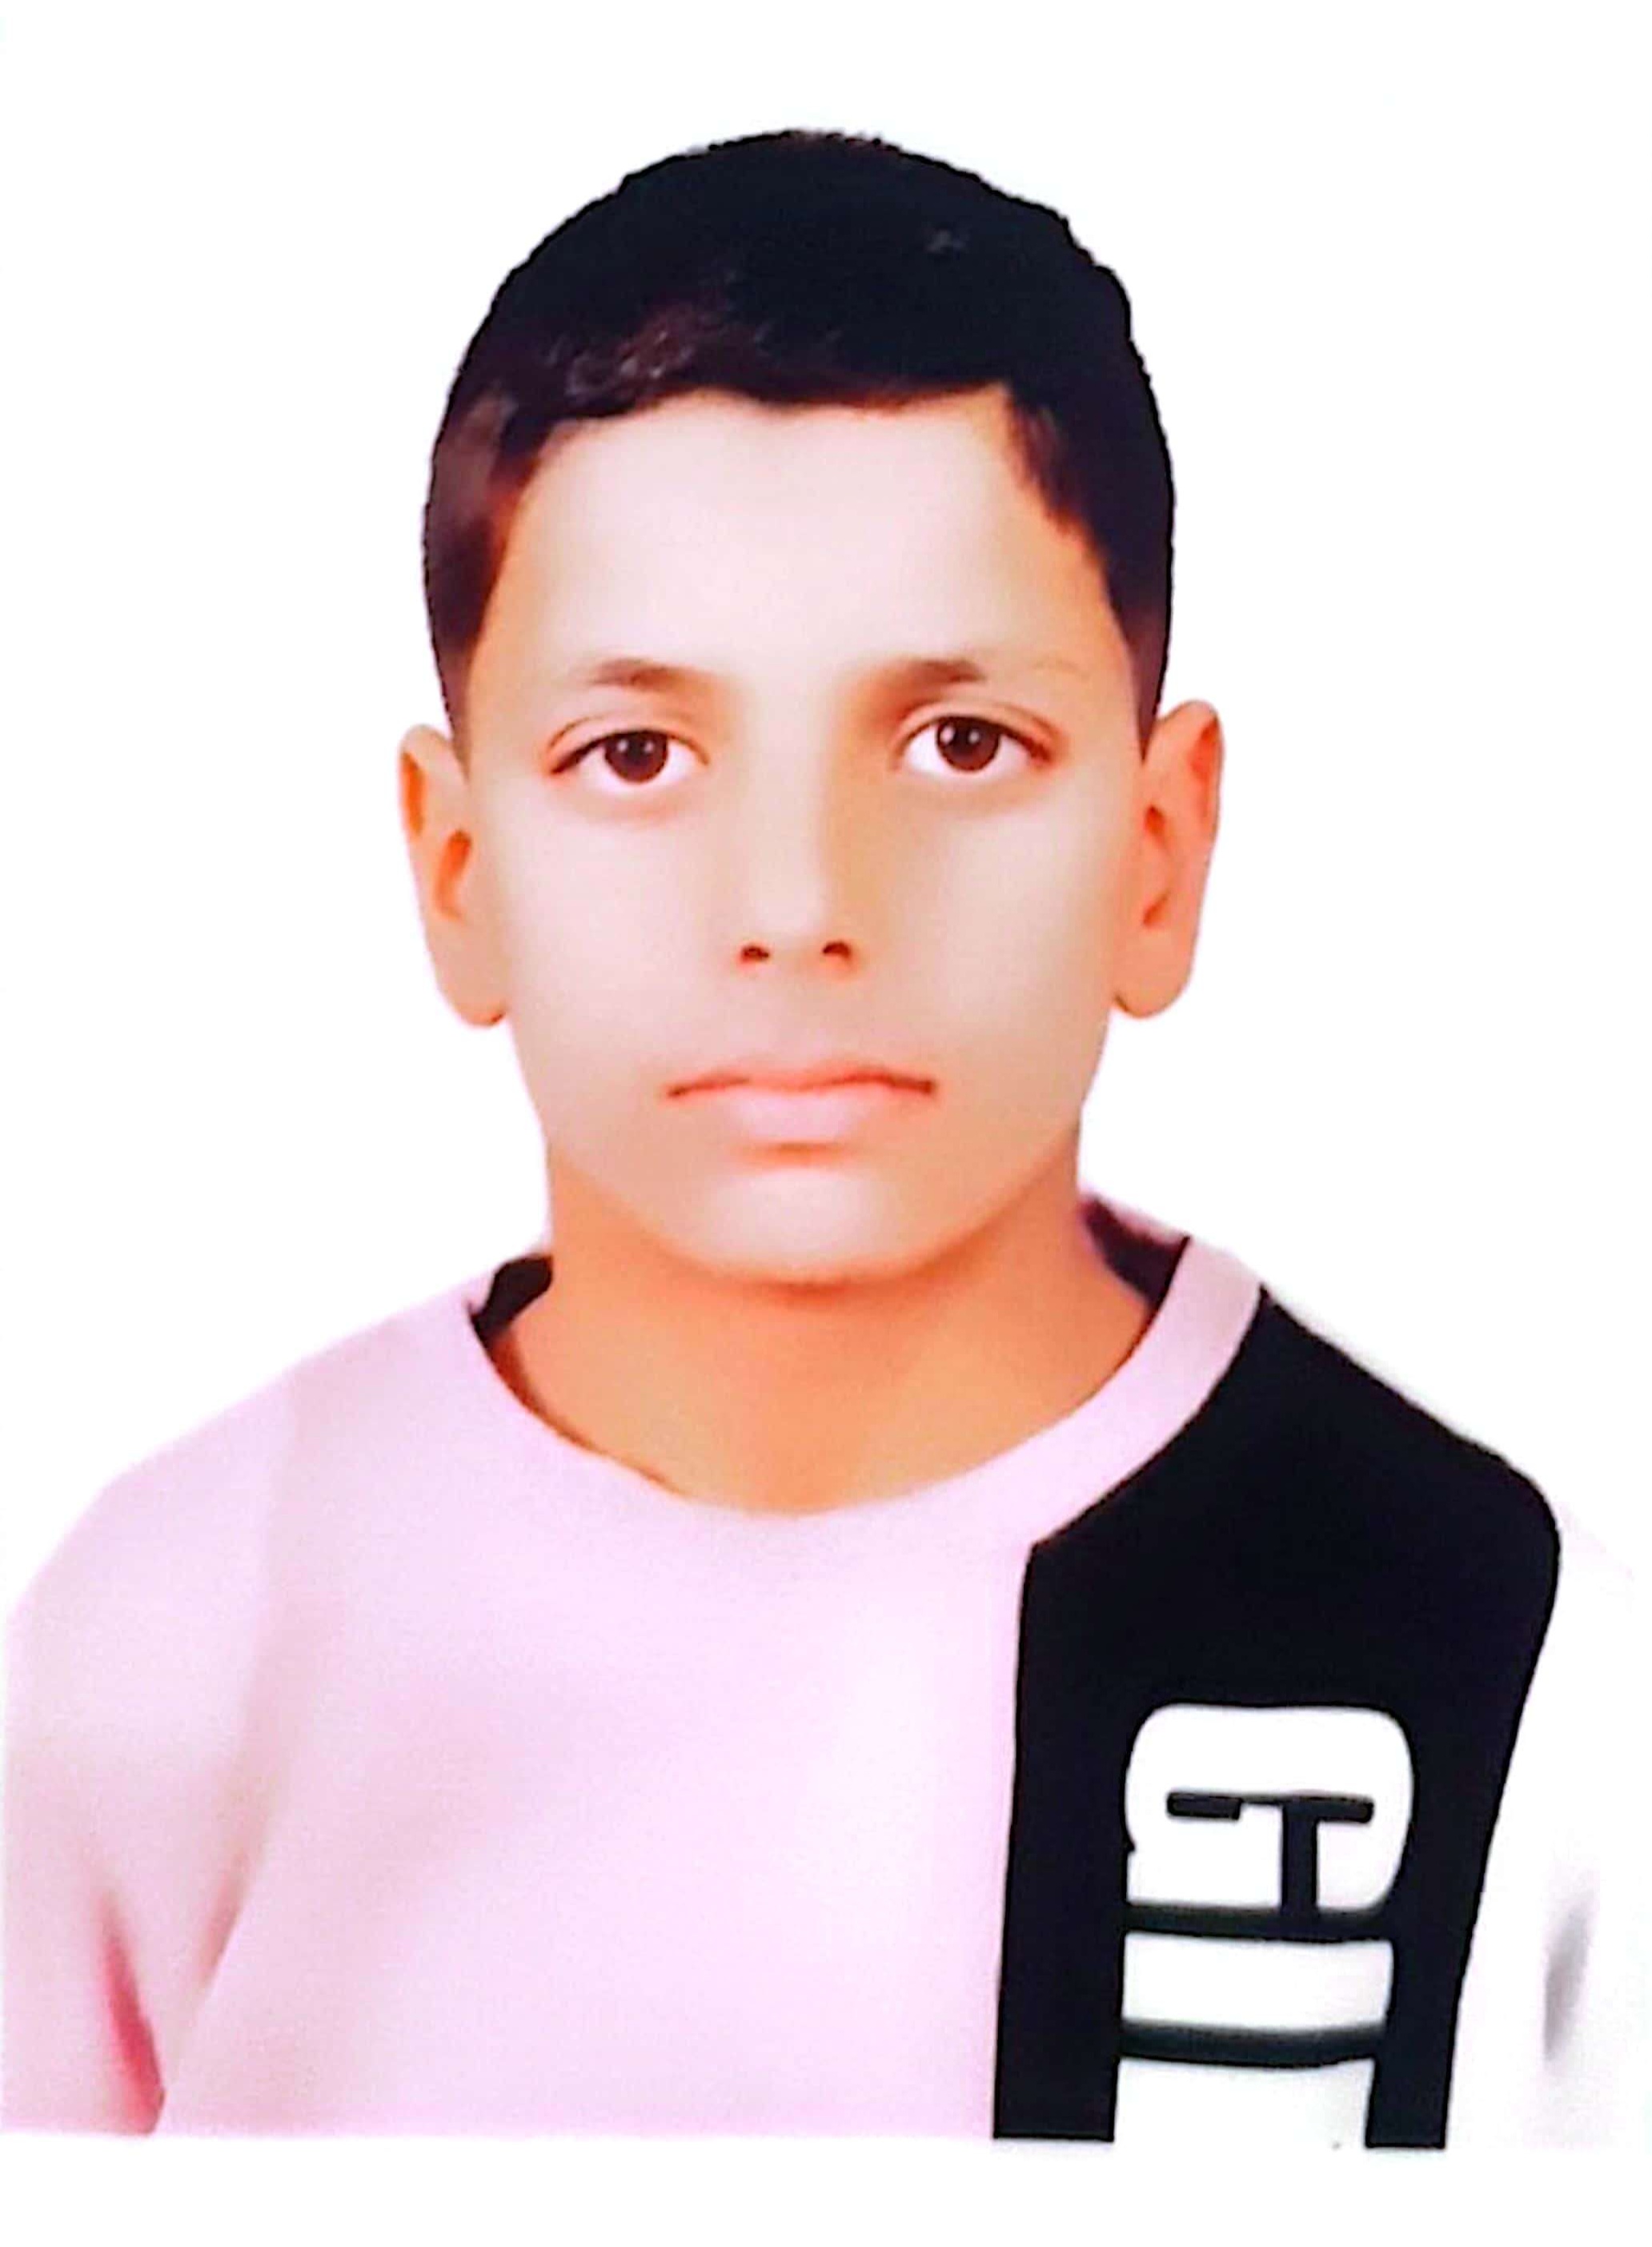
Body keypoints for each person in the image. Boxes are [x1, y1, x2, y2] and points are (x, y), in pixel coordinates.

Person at [3, 127, 1642, 2146]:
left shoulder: (1501, 1650)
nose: (797, 902)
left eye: (960, 744)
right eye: (636, 753)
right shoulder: (161, 1644)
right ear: (456, 868)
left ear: (1158, 850)